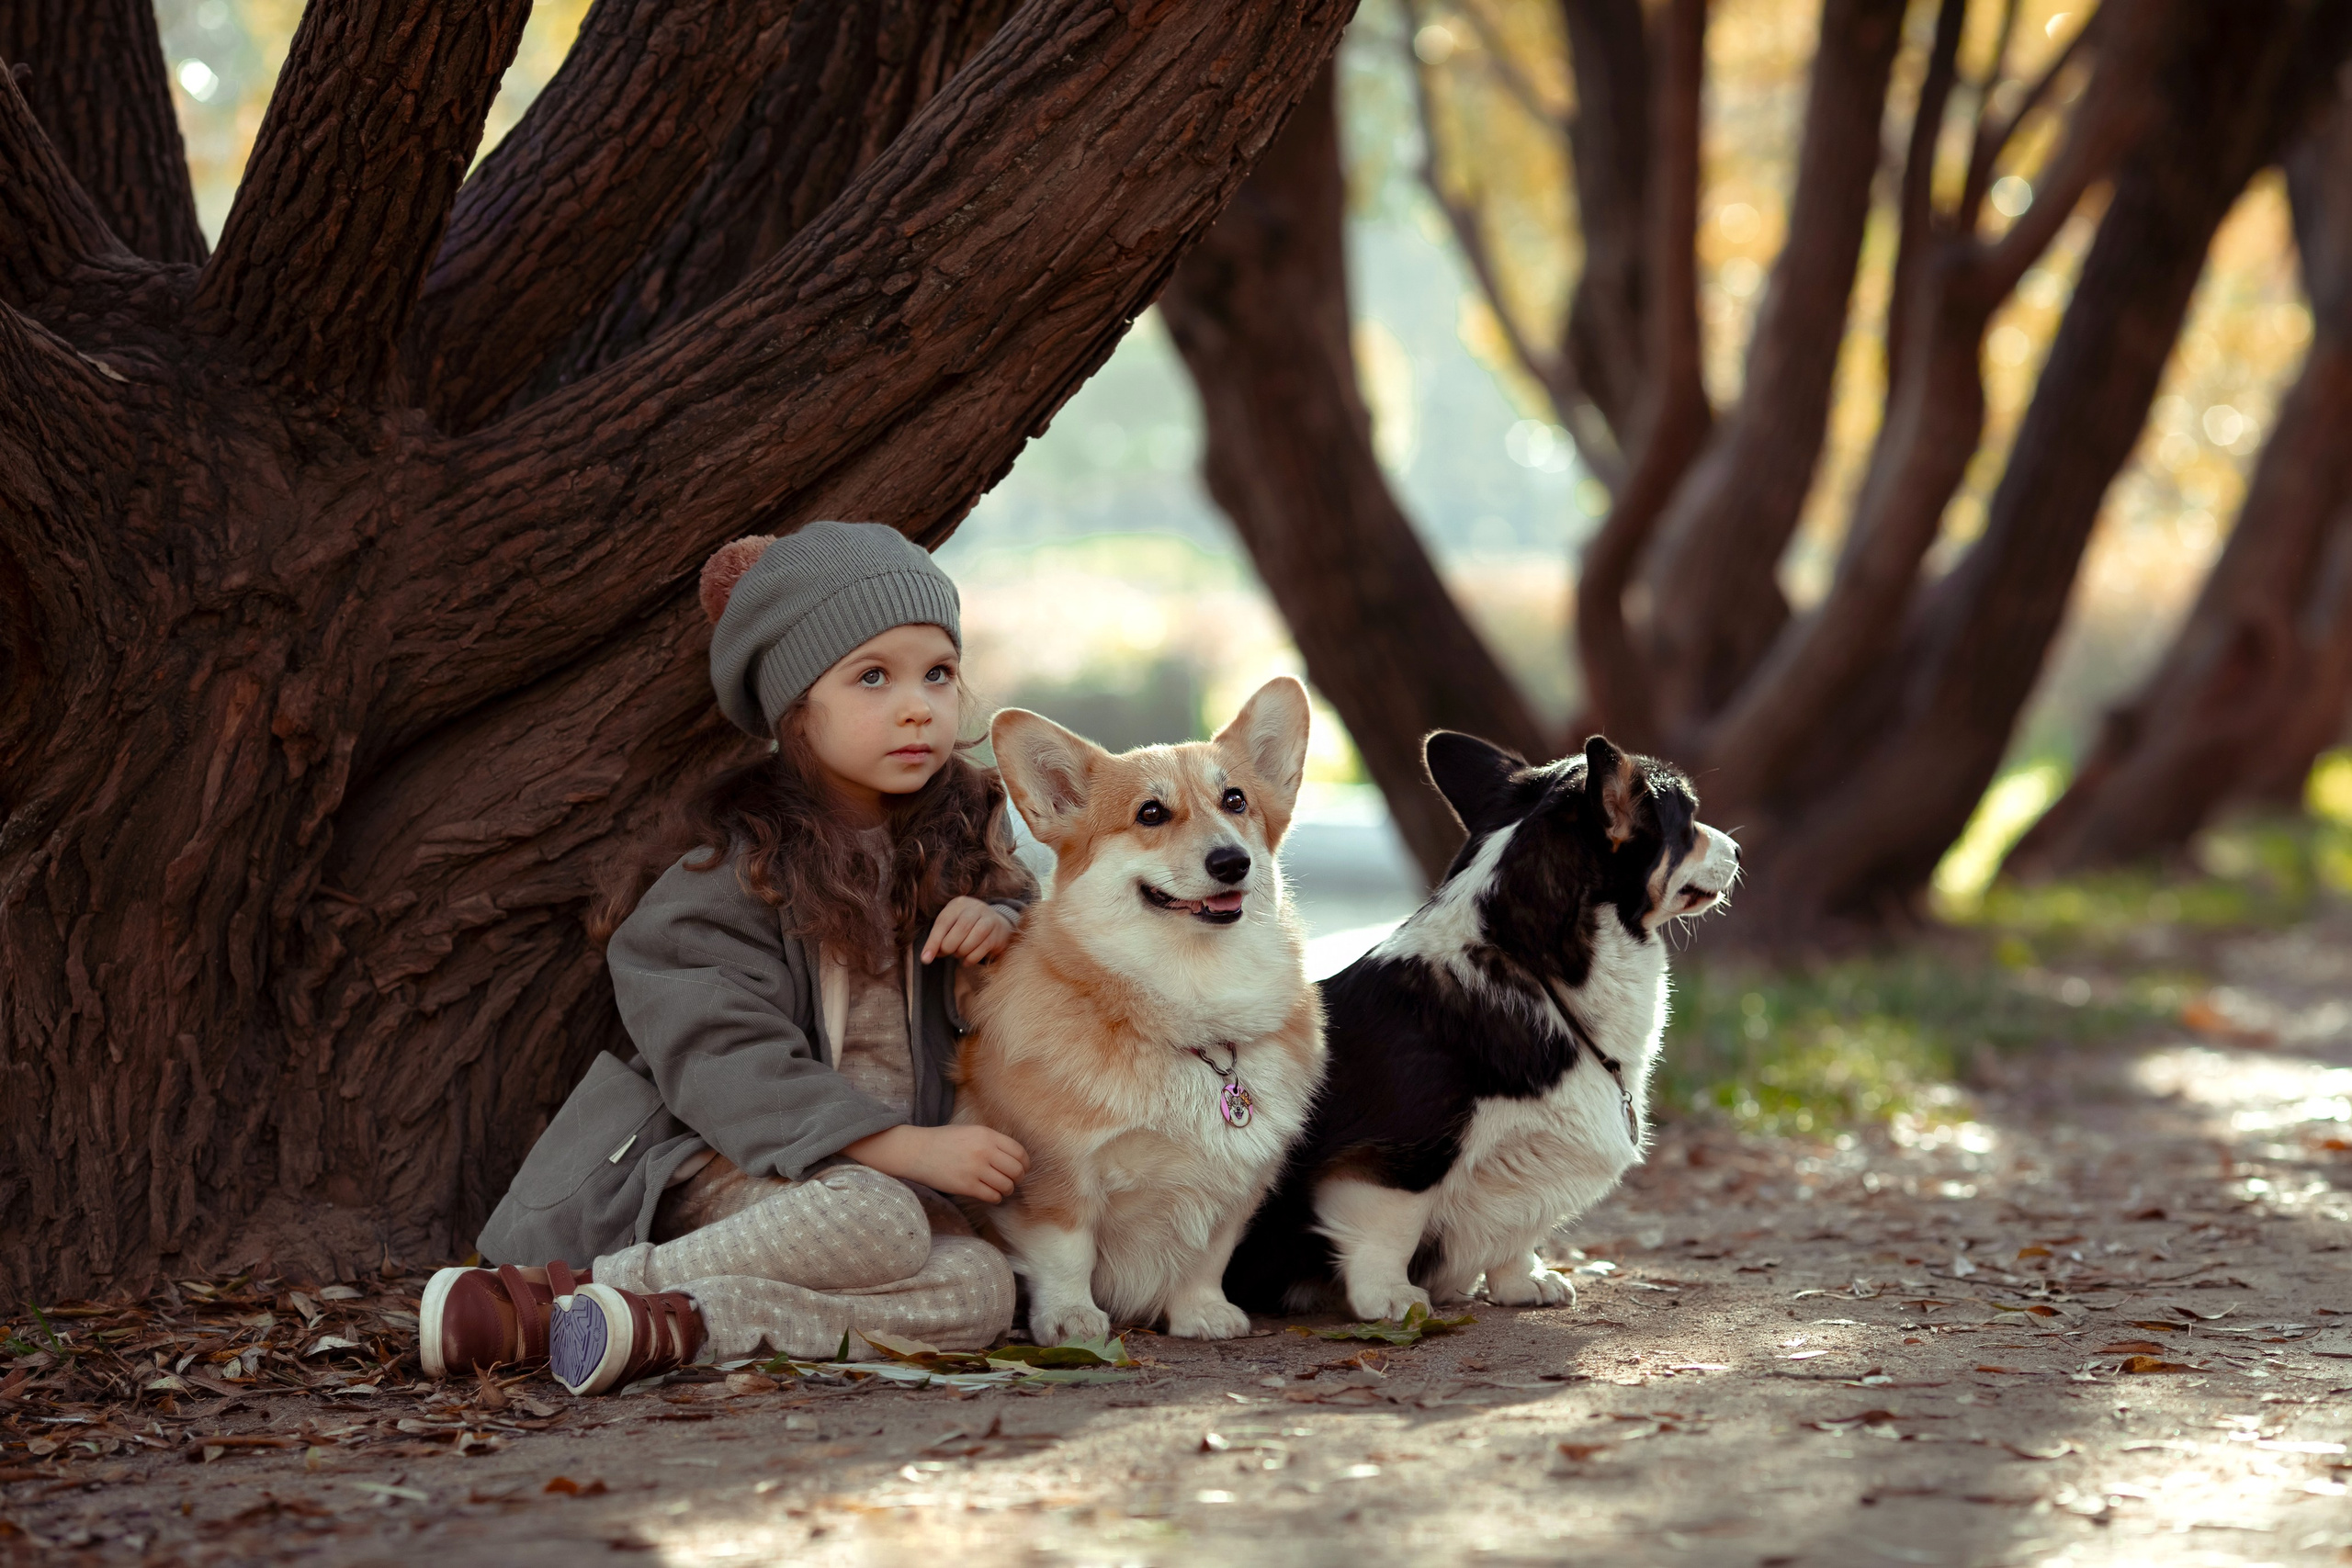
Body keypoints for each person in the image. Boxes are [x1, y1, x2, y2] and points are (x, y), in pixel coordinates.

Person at [415, 523, 1033, 1394]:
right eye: (872, 677)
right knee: (882, 1220)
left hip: (870, 1186)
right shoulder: (732, 874)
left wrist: (1004, 923)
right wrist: (911, 1149)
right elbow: (727, 1065)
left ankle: (676, 1327)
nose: (917, 706)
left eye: (937, 672)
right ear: (794, 709)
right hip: (727, 1168)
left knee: (983, 1288)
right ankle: (559, 1302)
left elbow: (1044, 963)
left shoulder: (968, 834)